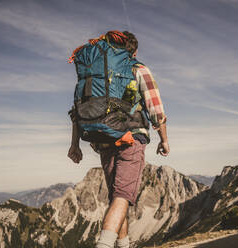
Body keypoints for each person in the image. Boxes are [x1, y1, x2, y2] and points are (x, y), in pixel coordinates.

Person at [67, 30, 170, 248]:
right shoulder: (138, 69)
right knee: (122, 197)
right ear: (134, 51)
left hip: (103, 139)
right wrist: (164, 139)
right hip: (131, 139)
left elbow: (78, 109)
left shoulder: (97, 73)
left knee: (116, 197)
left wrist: (74, 144)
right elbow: (156, 111)